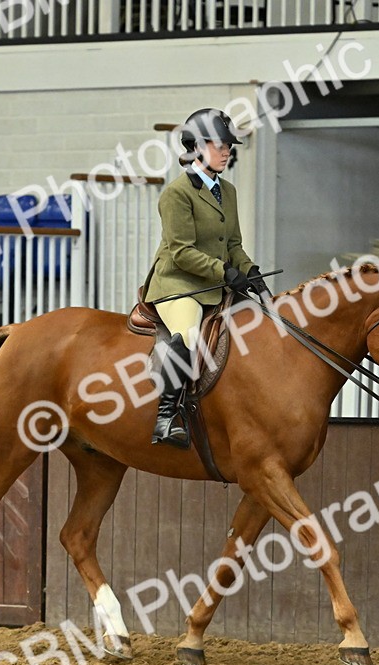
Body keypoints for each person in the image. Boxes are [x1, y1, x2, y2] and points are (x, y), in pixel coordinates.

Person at [143, 107, 270, 448]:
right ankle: (166, 417)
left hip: (216, 284)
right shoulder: (176, 193)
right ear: (197, 147)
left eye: (228, 146)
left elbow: (233, 245)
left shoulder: (227, 191)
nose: (227, 152)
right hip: (178, 284)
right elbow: (182, 252)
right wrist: (225, 271)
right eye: (220, 145)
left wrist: (250, 271)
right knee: (188, 333)